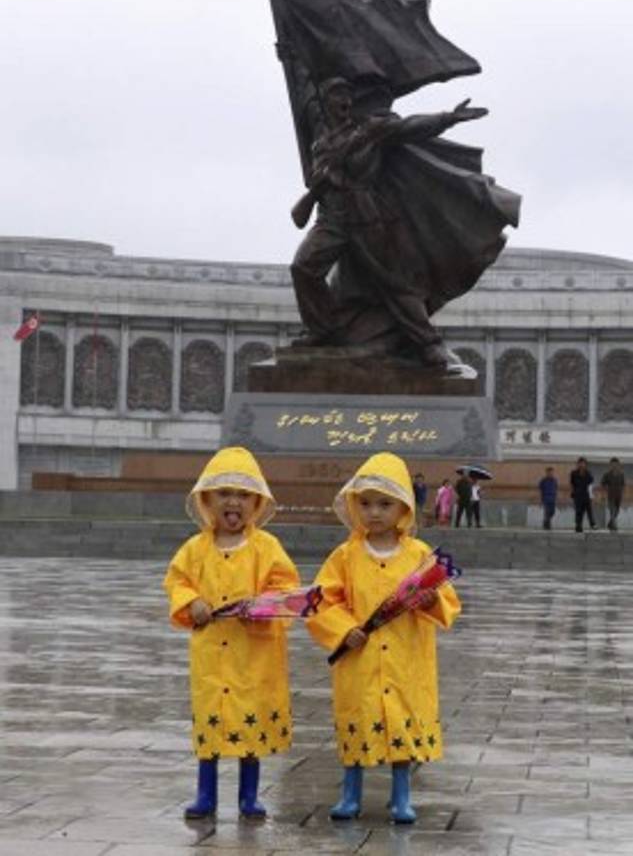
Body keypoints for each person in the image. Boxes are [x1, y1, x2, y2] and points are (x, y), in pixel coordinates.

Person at [290, 77, 498, 369]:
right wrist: (320, 185)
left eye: (348, 95)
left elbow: (409, 127)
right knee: (302, 267)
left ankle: (429, 344)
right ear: (325, 104)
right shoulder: (320, 145)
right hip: (332, 220)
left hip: (367, 217)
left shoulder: (369, 131)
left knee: (396, 284)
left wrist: (447, 118)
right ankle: (322, 330)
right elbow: (315, 187)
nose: (345, 101)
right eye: (337, 96)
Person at [306, 452, 461, 823]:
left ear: (404, 507)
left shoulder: (419, 555)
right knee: (358, 721)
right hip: (359, 659)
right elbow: (322, 600)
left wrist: (431, 600)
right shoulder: (345, 556)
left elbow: (448, 602)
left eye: (384, 504)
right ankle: (350, 794)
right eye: (365, 504)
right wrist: (344, 629)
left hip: (407, 659)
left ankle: (401, 795)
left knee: (402, 723)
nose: (374, 512)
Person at [163, 447, 299, 819]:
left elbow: (286, 588)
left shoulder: (267, 548)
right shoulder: (195, 549)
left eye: (243, 494)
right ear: (207, 500)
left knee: (249, 724)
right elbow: (177, 581)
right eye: (224, 493)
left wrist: (262, 607)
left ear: (256, 503)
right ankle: (205, 794)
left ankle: (248, 796)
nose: (233, 502)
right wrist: (192, 602)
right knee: (210, 721)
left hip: (252, 656)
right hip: (211, 654)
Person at [570, 457, 597, 533]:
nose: (582, 465)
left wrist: (592, 495)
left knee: (589, 510)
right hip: (577, 495)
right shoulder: (574, 473)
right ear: (578, 464)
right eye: (580, 463)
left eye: (583, 463)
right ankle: (578, 525)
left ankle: (592, 524)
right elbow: (572, 484)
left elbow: (591, 484)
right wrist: (573, 493)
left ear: (585, 465)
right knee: (579, 511)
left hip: (586, 494)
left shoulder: (588, 473)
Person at [601, 457, 626, 532]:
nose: (614, 466)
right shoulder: (607, 474)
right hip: (611, 495)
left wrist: (623, 492)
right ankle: (614, 526)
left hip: (618, 495)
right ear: (610, 465)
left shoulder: (621, 474)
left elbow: (623, 484)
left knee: (617, 511)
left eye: (616, 464)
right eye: (613, 464)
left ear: (618, 465)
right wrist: (606, 489)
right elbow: (602, 483)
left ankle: (610, 523)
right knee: (612, 510)